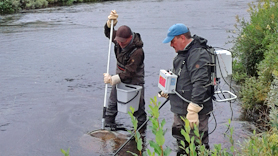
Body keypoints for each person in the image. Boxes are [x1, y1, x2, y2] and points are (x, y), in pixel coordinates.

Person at [160, 23, 213, 155]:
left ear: (182, 38)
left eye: (172, 41)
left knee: (198, 144)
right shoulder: (182, 54)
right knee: (181, 141)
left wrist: (193, 109)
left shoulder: (198, 54)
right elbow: (180, 77)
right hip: (180, 108)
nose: (171, 45)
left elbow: (201, 82)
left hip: (195, 111)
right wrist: (169, 91)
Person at [103, 10, 147, 130]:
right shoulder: (118, 39)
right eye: (118, 41)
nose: (120, 44)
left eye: (123, 42)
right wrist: (109, 23)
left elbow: (130, 72)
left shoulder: (137, 51)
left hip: (135, 79)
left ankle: (141, 131)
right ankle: (108, 127)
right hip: (119, 76)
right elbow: (109, 33)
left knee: (137, 109)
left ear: (130, 38)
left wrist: (112, 79)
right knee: (112, 104)